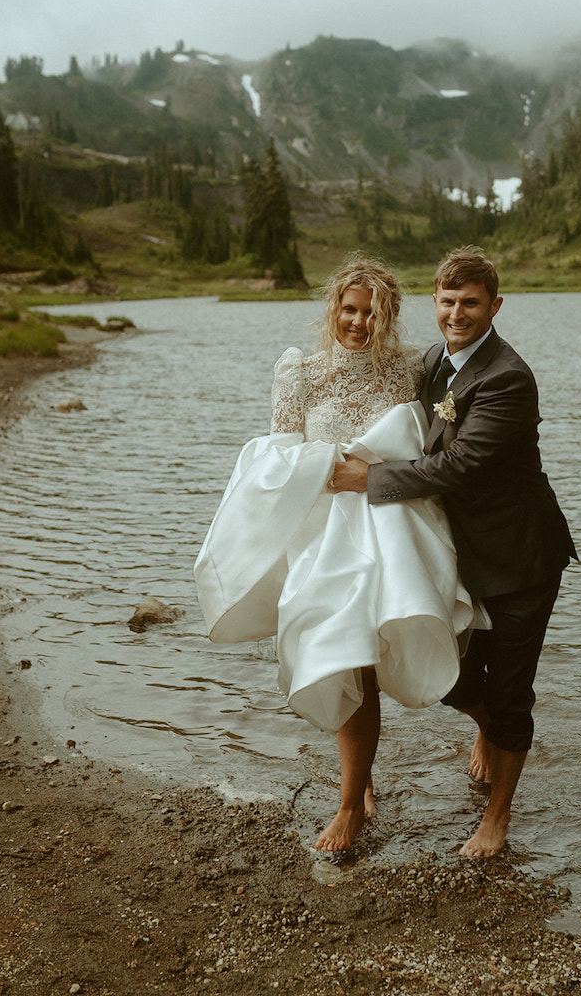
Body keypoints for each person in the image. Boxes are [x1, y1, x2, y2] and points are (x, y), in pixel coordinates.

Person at [194, 253, 481, 853]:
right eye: (349, 310)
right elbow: (276, 459)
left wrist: (375, 464)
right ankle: (355, 797)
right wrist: (327, 463)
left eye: (372, 312)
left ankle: (483, 727)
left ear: (391, 316)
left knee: (417, 639)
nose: (359, 322)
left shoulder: (411, 370)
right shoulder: (300, 373)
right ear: (334, 310)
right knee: (345, 656)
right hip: (327, 536)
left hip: (397, 526)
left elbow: (431, 449)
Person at [332, 247, 576, 858]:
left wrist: (371, 480)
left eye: (470, 303)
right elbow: (396, 414)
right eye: (447, 301)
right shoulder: (434, 362)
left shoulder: (507, 377)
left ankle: (497, 818)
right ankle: (486, 727)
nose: (457, 313)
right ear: (435, 304)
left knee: (512, 686)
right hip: (459, 556)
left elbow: (461, 464)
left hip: (519, 560)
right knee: (450, 671)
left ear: (495, 306)